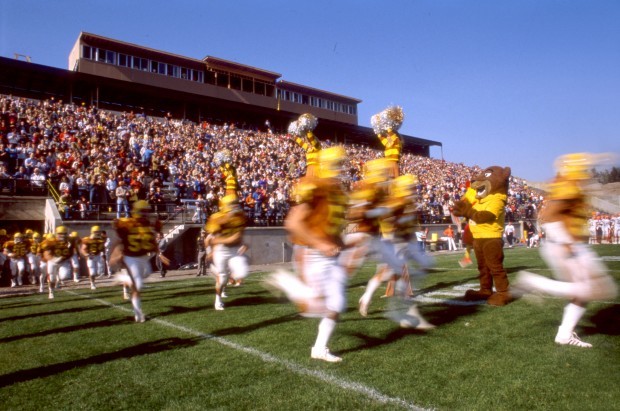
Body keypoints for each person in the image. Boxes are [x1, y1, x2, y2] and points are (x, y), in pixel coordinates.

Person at [516, 153, 618, 347]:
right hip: (567, 244)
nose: (586, 172)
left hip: (569, 243)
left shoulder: (568, 183)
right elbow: (550, 214)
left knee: (587, 292)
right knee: (598, 289)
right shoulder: (569, 185)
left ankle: (564, 334)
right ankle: (536, 283)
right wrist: (565, 242)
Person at [266, 146, 348, 362]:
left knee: (337, 304)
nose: (340, 168)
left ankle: (319, 349)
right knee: (313, 306)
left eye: (341, 163)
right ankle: (288, 283)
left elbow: (331, 227)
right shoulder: (317, 186)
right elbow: (293, 222)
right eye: (337, 164)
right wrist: (320, 243)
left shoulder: (337, 191)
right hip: (313, 254)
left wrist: (341, 244)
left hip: (331, 256)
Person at [110, 200, 166, 322]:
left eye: (146, 211)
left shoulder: (150, 225)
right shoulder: (128, 224)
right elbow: (118, 240)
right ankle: (138, 313)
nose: (145, 214)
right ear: (136, 211)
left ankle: (124, 278)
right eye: (143, 211)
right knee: (138, 285)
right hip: (131, 257)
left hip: (143, 257)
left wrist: (159, 254)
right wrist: (114, 255)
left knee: (147, 274)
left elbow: (153, 241)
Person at [205, 195, 248, 310]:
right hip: (221, 250)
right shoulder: (217, 218)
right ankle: (218, 300)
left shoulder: (240, 217)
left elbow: (238, 235)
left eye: (236, 203)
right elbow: (210, 238)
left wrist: (242, 243)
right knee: (223, 278)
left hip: (233, 249)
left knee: (242, 272)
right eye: (232, 204)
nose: (235, 206)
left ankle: (227, 274)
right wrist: (211, 251)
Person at [40, 226, 75, 299]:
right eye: (60, 234)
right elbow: (46, 254)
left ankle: (58, 280)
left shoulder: (70, 241)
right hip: (52, 261)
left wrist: (66, 257)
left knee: (64, 276)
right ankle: (51, 291)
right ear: (56, 234)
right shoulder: (51, 241)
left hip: (64, 261)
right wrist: (54, 259)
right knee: (52, 279)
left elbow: (71, 252)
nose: (62, 235)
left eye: (64, 234)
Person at [80, 226, 106, 290]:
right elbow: (82, 249)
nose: (97, 233)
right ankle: (92, 283)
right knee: (92, 272)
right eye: (96, 232)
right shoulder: (87, 239)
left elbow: (102, 248)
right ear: (92, 232)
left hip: (98, 255)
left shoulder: (102, 239)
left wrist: (103, 254)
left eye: (98, 232)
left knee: (100, 272)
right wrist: (87, 254)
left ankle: (93, 281)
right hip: (90, 256)